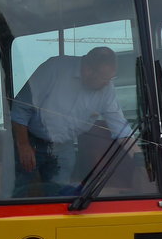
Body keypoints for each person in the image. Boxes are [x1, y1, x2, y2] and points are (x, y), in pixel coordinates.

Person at [10, 47, 129, 196]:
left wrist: (139, 158)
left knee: (60, 196)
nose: (107, 84)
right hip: (30, 140)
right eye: (104, 79)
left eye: (110, 79)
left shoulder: (107, 89)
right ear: (87, 70)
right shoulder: (55, 68)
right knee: (19, 192)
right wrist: (23, 144)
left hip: (64, 147)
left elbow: (121, 129)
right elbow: (21, 108)